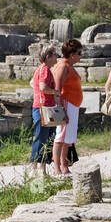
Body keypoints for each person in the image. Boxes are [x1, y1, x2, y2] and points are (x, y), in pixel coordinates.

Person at [51, 38, 85, 177]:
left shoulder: (69, 66)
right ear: (72, 54)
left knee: (68, 139)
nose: (81, 55)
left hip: (73, 105)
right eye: (79, 52)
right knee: (61, 136)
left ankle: (64, 166)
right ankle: (57, 168)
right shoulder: (63, 66)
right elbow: (57, 88)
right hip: (66, 104)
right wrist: (61, 109)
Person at [29, 45, 61, 175]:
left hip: (45, 107)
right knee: (42, 138)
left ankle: (42, 169)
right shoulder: (45, 70)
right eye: (55, 54)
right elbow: (42, 86)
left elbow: (32, 83)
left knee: (47, 138)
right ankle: (34, 169)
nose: (57, 56)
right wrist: (55, 92)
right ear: (48, 57)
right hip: (43, 108)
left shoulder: (42, 69)